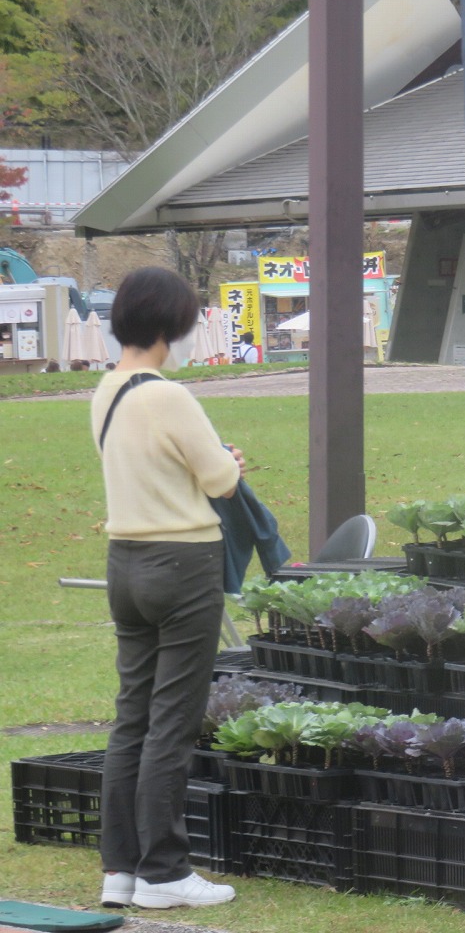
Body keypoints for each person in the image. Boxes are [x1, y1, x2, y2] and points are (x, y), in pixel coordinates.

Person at [91, 267, 245, 911]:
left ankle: (119, 870)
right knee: (172, 722)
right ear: (169, 326)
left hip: (124, 560)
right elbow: (218, 480)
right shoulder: (168, 394)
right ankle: (165, 872)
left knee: (133, 717)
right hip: (182, 565)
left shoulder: (105, 388)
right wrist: (230, 461)